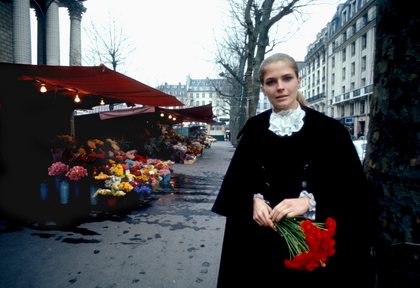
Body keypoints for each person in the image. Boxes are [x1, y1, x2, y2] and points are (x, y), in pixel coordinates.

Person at [211, 53, 376, 287]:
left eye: (286, 78)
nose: (280, 87)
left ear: (298, 80)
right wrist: (253, 199)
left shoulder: (330, 131)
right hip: (260, 244)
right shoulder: (255, 129)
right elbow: (237, 182)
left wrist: (310, 202)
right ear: (263, 88)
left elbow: (353, 191)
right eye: (271, 82)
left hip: (311, 243)